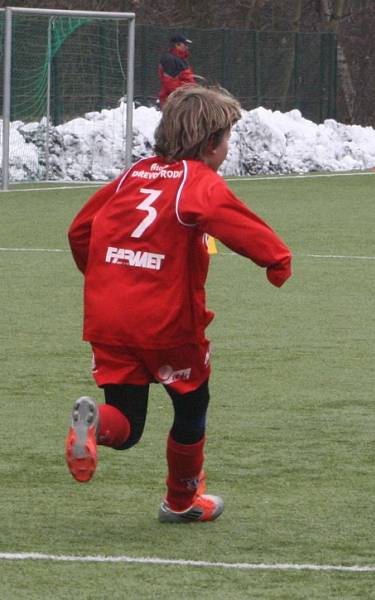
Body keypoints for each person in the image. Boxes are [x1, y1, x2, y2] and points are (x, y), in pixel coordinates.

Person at [65, 85, 292, 523]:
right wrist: (277, 260)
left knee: (127, 425)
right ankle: (181, 502)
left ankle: (94, 426)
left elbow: (80, 231)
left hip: (109, 318)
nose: (228, 148)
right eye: (227, 139)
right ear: (210, 144)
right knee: (191, 407)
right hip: (167, 324)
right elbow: (235, 222)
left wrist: (102, 279)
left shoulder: (133, 175)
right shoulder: (199, 180)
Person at [158, 33, 196, 107]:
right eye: (185, 44)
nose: (187, 47)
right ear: (177, 45)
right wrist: (187, 93)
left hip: (183, 99)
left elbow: (186, 79)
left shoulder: (181, 59)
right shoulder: (169, 59)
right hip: (175, 102)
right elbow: (169, 82)